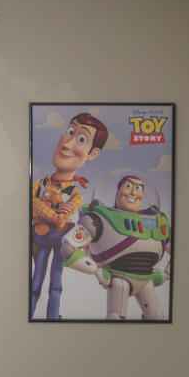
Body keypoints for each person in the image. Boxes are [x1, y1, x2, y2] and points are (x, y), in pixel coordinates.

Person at [59, 173, 171, 320]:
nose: (133, 192)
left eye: (138, 188)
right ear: (118, 190)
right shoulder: (99, 219)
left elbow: (181, 253)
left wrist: (165, 274)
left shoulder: (157, 222)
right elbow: (68, 246)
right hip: (118, 280)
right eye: (128, 186)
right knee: (115, 318)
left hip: (147, 280)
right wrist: (95, 269)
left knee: (157, 317)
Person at [30, 113, 107, 319]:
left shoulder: (75, 195)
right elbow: (34, 202)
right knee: (35, 283)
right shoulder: (40, 184)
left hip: (59, 240)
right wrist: (54, 216)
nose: (67, 143)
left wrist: (54, 216)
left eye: (81, 139)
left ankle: (52, 318)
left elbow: (67, 211)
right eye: (70, 132)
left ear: (92, 154)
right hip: (41, 237)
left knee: (56, 284)